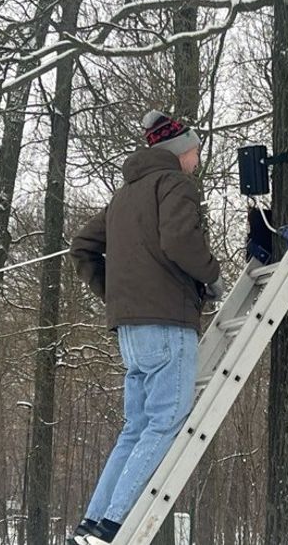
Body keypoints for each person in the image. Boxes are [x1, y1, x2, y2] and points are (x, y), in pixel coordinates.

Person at [68, 110, 224, 544]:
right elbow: (179, 241)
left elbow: (82, 248)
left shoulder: (124, 196)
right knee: (164, 424)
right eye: (194, 150)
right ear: (179, 151)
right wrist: (210, 276)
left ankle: (93, 523)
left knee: (135, 428)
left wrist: (117, 297)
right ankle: (114, 524)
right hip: (167, 324)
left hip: (130, 331)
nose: (196, 159)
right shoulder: (174, 184)